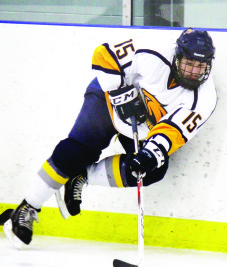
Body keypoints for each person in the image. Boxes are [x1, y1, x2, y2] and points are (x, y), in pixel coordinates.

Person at [3, 27, 217, 248]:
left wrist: (148, 154)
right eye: (188, 64)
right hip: (107, 101)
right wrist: (119, 94)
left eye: (200, 66)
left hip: (142, 126)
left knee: (150, 169)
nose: (193, 71)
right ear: (177, 56)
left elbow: (172, 133)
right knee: (77, 152)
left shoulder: (204, 99)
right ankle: (26, 208)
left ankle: (82, 177)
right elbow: (105, 55)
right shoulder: (154, 51)